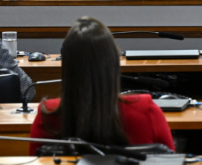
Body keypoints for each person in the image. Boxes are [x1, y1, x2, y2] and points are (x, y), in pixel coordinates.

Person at [29, 17, 174, 155]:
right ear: (113, 63)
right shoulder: (145, 110)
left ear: (67, 66)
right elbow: (172, 159)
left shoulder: (48, 114)